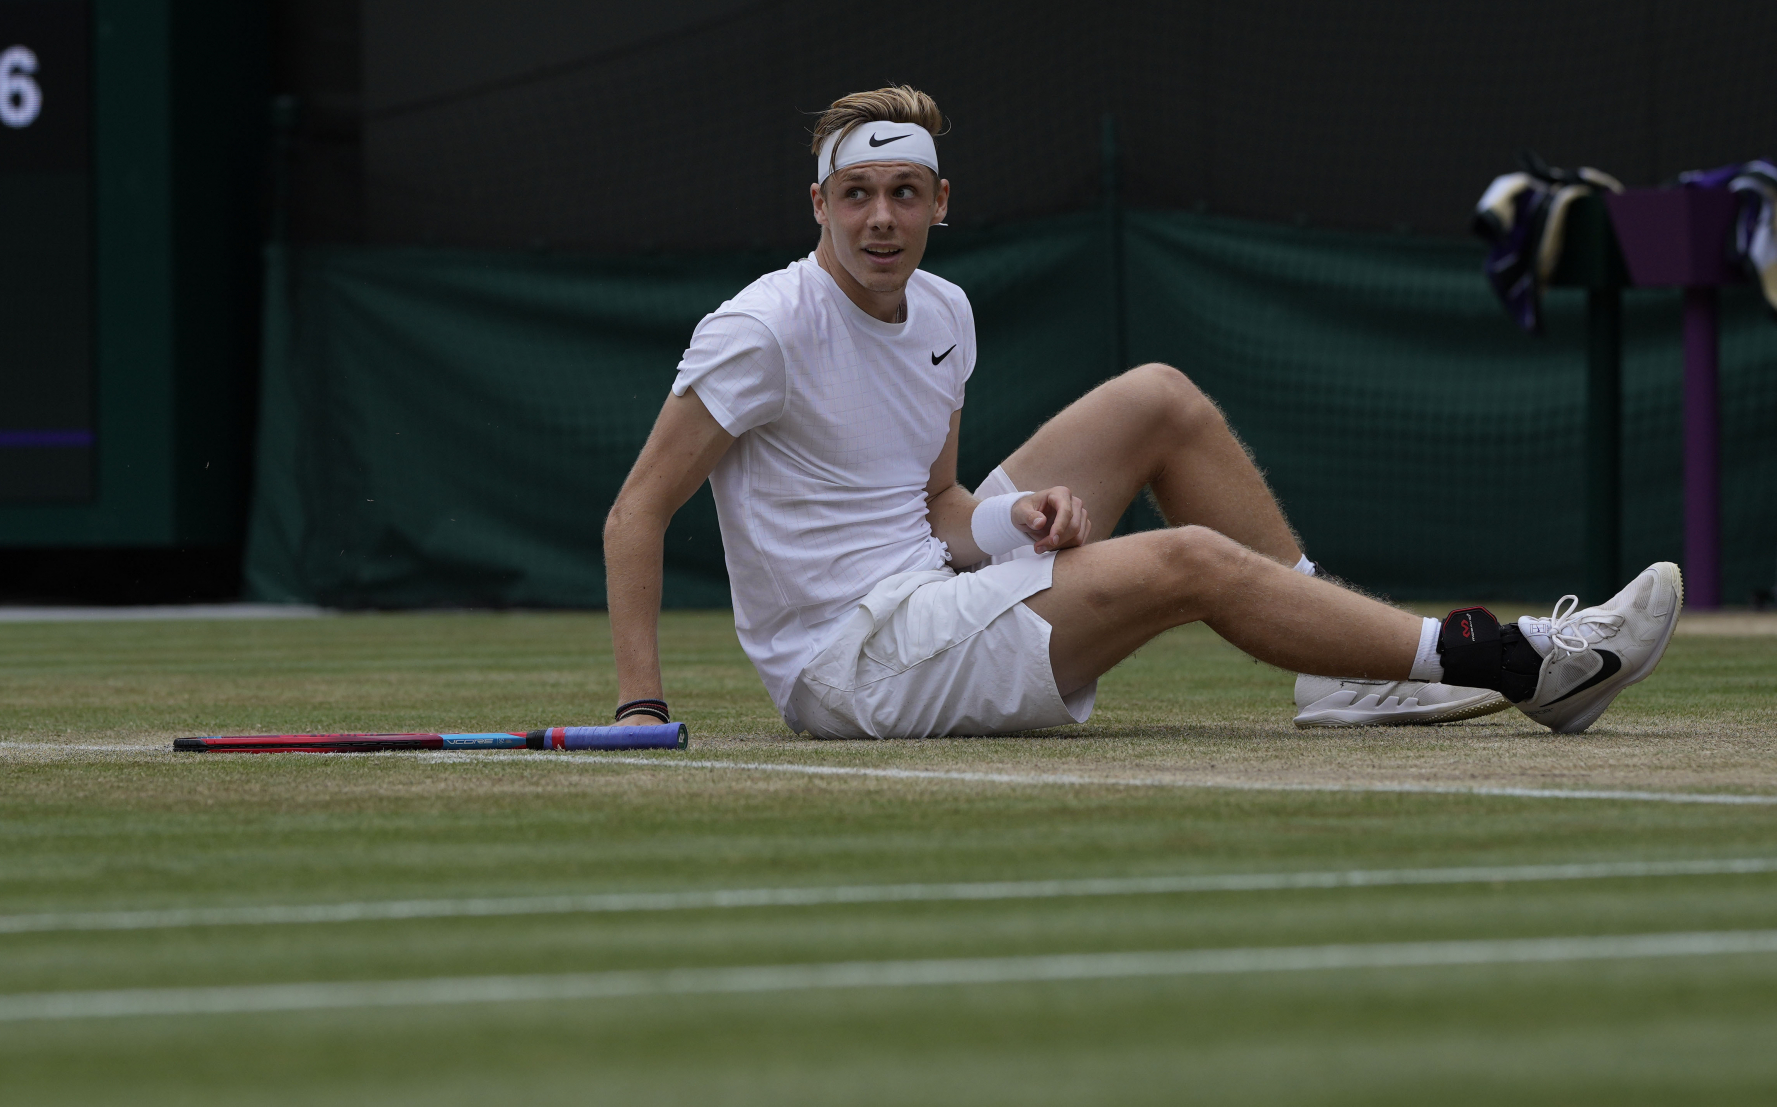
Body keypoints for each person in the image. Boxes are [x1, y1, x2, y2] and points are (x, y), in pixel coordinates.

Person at [601, 85, 1681, 740]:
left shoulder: (943, 308)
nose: (878, 218)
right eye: (855, 194)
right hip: (849, 666)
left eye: (903, 193)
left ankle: (1338, 679)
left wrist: (1009, 524)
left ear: (940, 202)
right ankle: (1517, 659)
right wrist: (640, 707)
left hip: (924, 590)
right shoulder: (760, 327)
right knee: (1186, 562)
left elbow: (934, 505)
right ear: (818, 206)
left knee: (1157, 397)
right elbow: (637, 512)